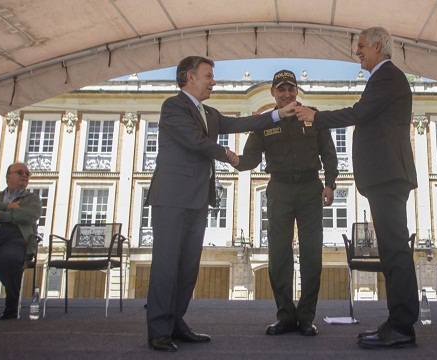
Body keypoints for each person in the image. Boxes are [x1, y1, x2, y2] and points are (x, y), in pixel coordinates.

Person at [145, 56, 297, 352]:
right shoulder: (173, 106)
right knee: (166, 264)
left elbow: (243, 122)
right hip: (171, 198)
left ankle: (176, 322)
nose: (213, 81)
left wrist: (279, 115)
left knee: (188, 267)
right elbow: (193, 141)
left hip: (198, 198)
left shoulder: (209, 113)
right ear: (190, 77)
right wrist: (224, 153)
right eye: (208, 76)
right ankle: (158, 330)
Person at [294, 26, 418, 349]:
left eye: (361, 46)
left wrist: (315, 116)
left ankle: (402, 324)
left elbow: (359, 113)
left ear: (377, 46)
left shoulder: (388, 76)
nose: (357, 52)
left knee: (394, 250)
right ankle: (398, 322)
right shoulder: (383, 78)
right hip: (385, 176)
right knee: (391, 250)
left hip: (388, 176)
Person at [231, 70, 338, 337]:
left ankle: (306, 318)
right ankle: (285, 316)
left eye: (291, 89)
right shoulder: (266, 122)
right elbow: (251, 160)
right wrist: (230, 158)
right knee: (278, 254)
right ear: (273, 93)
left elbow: (329, 152)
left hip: (310, 188)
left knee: (311, 254)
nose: (287, 94)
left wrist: (330, 183)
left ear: (297, 90)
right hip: (279, 189)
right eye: (281, 90)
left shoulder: (312, 116)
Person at [0, 162, 42, 320]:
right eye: (20, 172)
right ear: (8, 177)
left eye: (27, 173)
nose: (25, 175)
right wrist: (6, 206)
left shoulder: (32, 198)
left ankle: (11, 307)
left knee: (10, 260)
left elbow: (29, 215)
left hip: (13, 237)